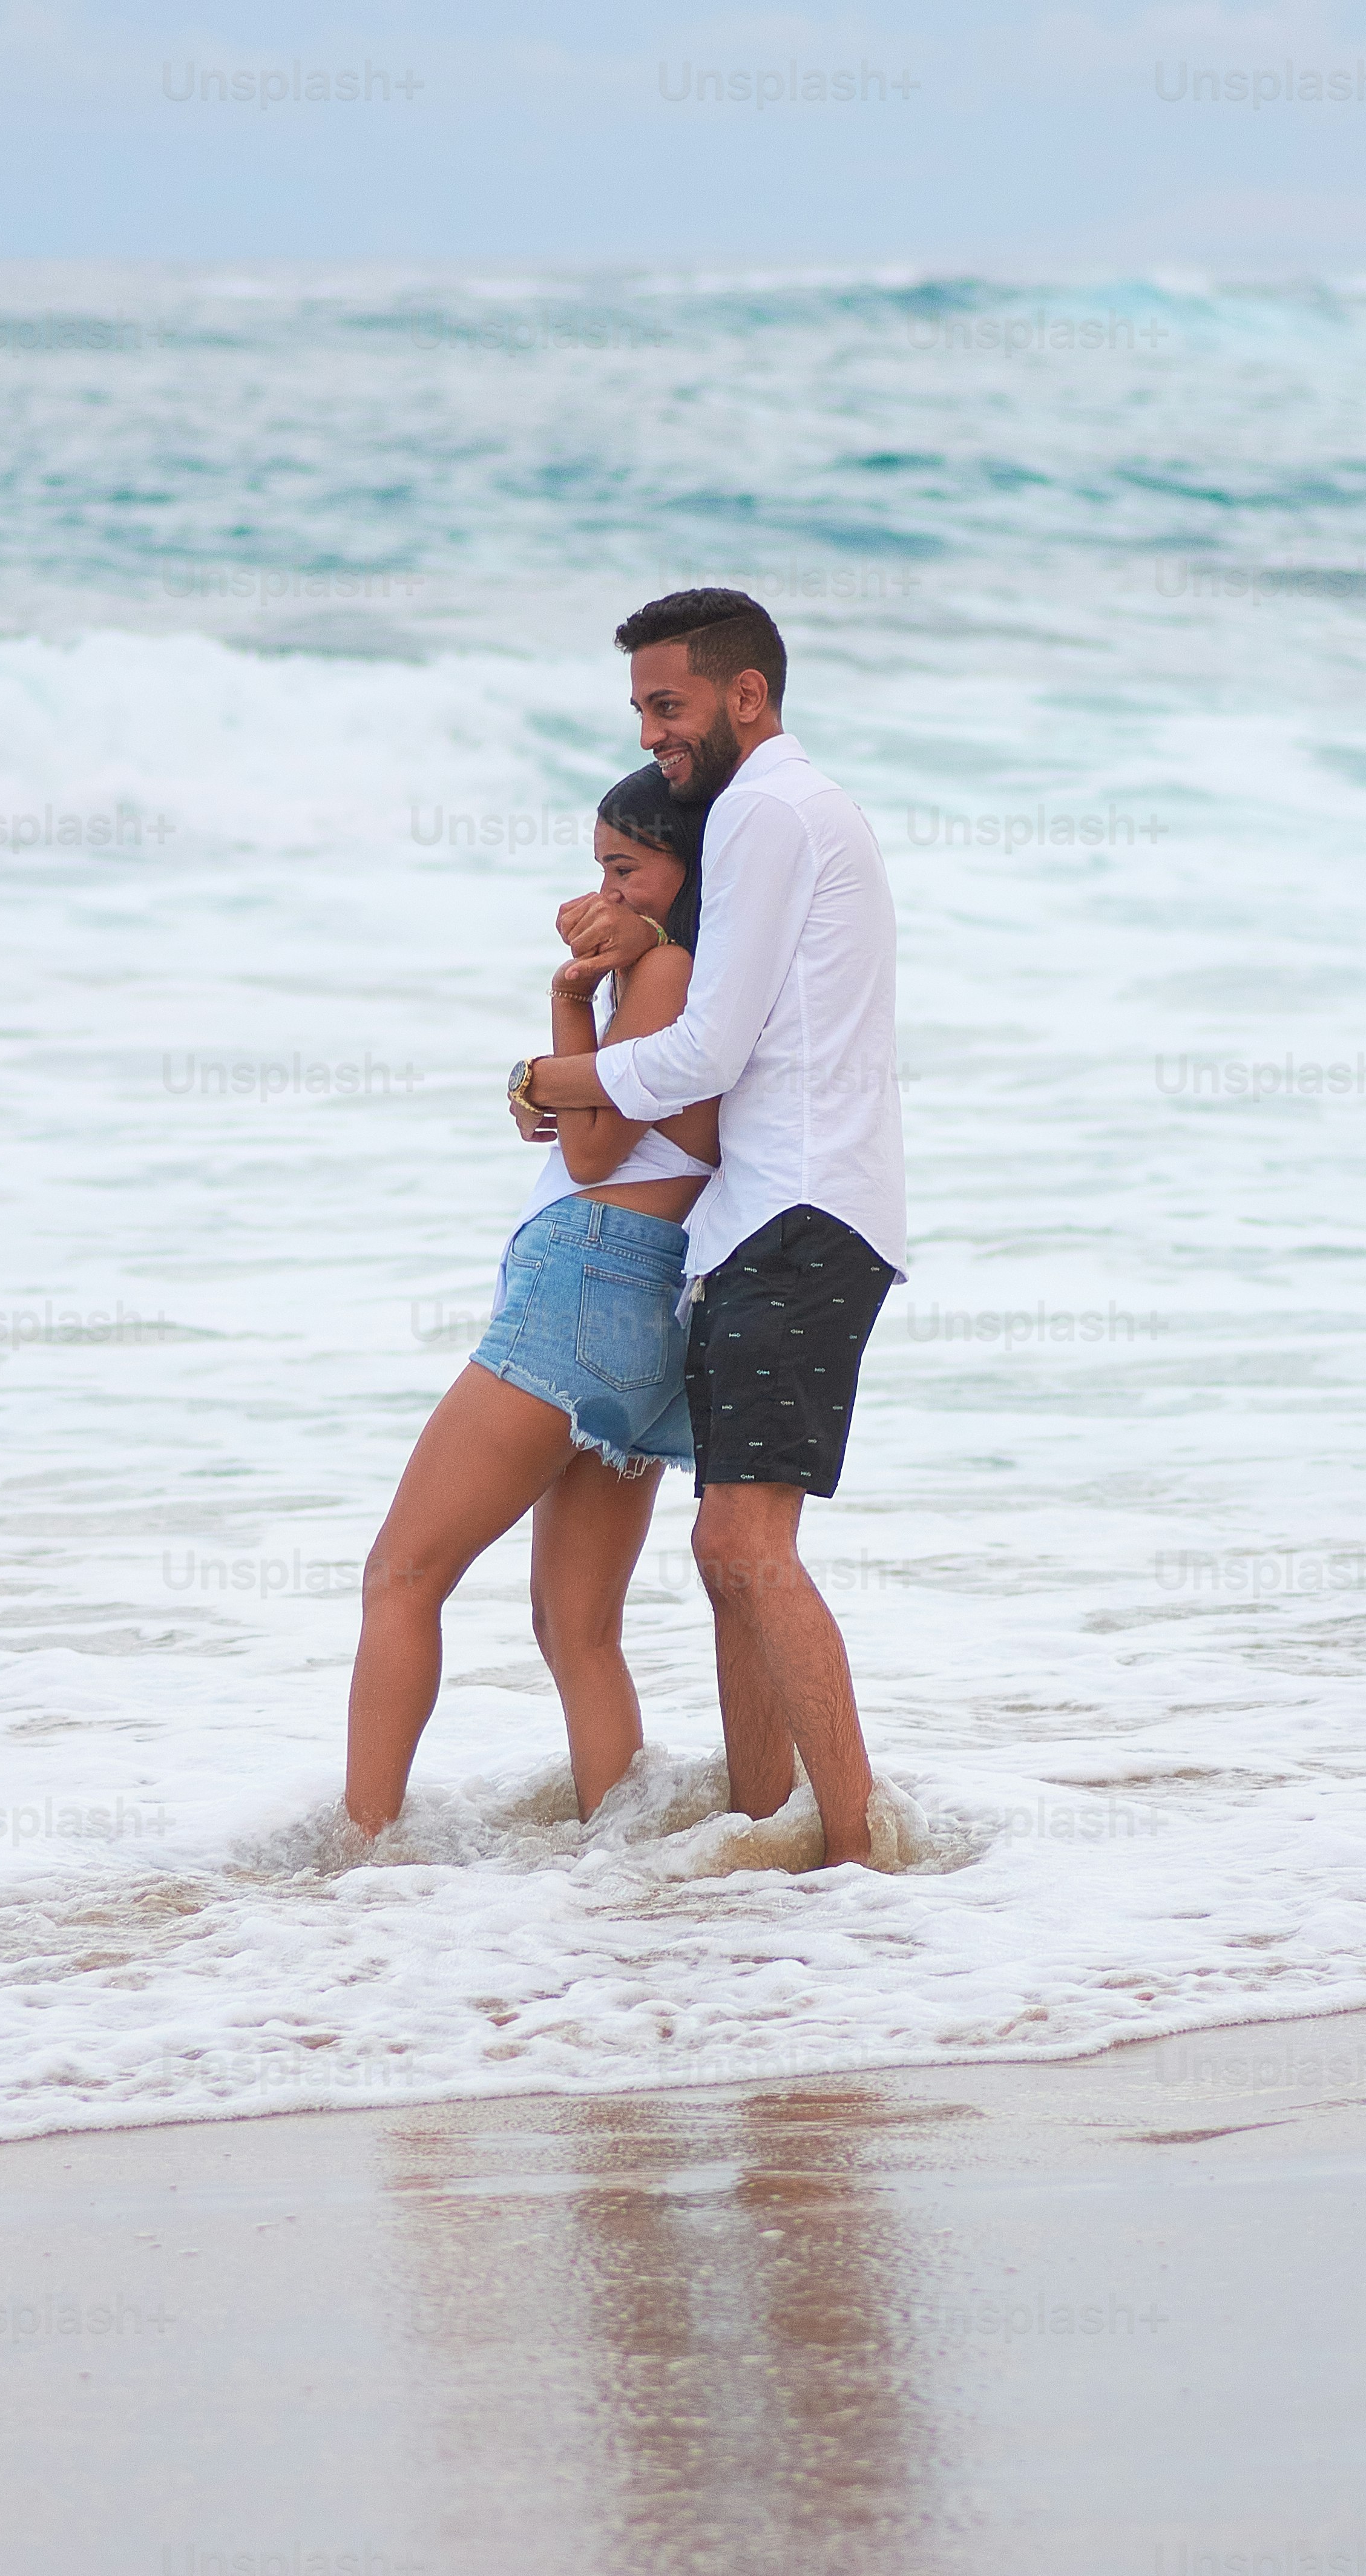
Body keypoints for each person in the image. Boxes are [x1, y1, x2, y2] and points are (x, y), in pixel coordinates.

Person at [509, 589, 905, 1869]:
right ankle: (762, 1827)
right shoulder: (788, 811)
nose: (652, 734)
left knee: (742, 1543)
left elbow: (705, 1047)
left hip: (799, 1208)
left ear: (746, 696)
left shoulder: (761, 812)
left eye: (668, 705)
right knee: (728, 1550)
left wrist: (547, 1077)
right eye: (639, 709)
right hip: (780, 1211)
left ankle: (854, 1849)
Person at [344, 770, 720, 1836]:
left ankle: (357, 1856)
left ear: (685, 874)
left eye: (623, 867)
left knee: (402, 1574)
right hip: (658, 1303)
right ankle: (626, 1862)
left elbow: (592, 1151)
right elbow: (596, 1123)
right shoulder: (720, 976)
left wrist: (568, 997)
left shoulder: (665, 971)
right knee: (578, 1626)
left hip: (587, 1272)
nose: (599, 890)